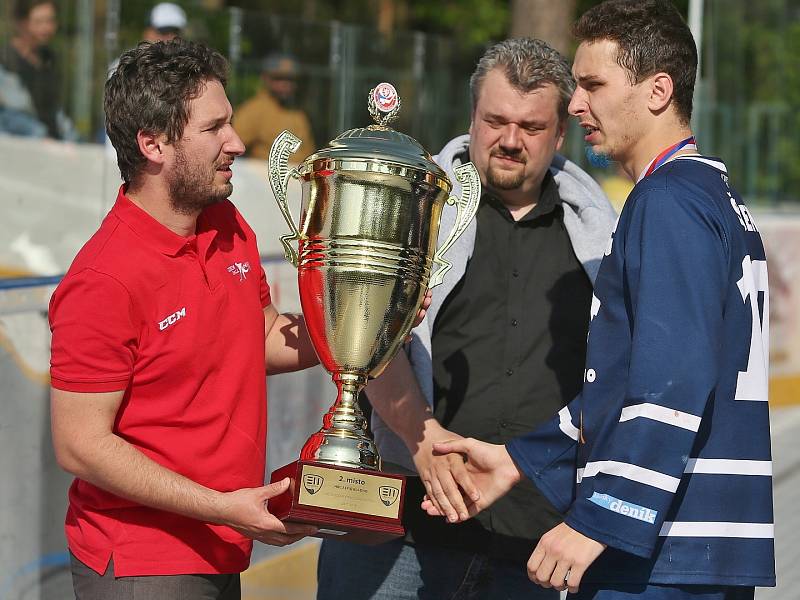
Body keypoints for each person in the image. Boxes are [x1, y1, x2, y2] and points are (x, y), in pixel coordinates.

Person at [425, 2, 776, 599]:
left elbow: (672, 383)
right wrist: (519, 460)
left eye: (592, 84)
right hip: (693, 547)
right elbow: (622, 382)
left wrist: (601, 518)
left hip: (660, 548)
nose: (576, 103)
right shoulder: (713, 192)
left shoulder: (666, 202)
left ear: (658, 90)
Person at [316, 38, 616, 600]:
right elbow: (363, 337)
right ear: (471, 116)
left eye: (530, 127)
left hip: (539, 547)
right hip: (399, 533)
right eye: (495, 120)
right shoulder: (410, 204)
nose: (509, 140)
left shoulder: (604, 239)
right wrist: (420, 438)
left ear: (560, 132)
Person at [49, 39, 321, 598]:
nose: (237, 142)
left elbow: (261, 334)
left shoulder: (225, 221)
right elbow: (79, 443)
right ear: (153, 145)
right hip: (142, 564)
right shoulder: (104, 279)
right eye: (213, 128)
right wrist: (221, 506)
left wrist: (357, 328)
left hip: (222, 541)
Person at [0, 0, 76, 139]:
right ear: (21, 23)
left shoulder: (49, 59)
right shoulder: (5, 61)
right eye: (39, 22)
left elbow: (55, 111)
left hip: (52, 144)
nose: (46, 28)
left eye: (50, 21)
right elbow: (11, 116)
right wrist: (42, 138)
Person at [234, 52, 316, 161]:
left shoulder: (298, 113)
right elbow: (233, 148)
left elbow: (309, 152)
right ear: (265, 78)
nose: (285, 84)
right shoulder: (253, 110)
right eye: (279, 78)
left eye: (290, 79)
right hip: (263, 175)